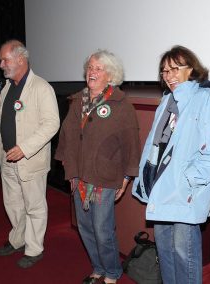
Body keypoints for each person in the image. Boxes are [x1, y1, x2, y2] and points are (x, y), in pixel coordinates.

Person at [132, 46, 210, 284]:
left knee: (184, 256)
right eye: (165, 71)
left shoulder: (207, 98)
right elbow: (155, 146)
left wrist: (188, 181)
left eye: (175, 69)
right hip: (162, 188)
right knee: (165, 253)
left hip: (184, 192)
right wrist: (145, 178)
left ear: (192, 69)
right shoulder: (167, 100)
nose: (169, 75)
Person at [54, 50, 140, 284]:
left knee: (103, 230)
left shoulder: (121, 104)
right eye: (90, 68)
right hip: (80, 177)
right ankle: (98, 268)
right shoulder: (78, 101)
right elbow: (67, 134)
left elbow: (131, 142)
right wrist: (68, 166)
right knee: (85, 229)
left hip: (105, 178)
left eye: (98, 68)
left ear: (110, 74)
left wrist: (126, 178)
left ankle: (112, 272)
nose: (91, 72)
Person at [0, 40, 60, 268]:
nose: (1, 64)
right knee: (13, 203)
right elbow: (4, 116)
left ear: (20, 59)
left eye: (5, 59)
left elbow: (52, 124)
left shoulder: (41, 87)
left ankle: (34, 248)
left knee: (34, 206)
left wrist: (25, 148)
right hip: (7, 157)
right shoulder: (8, 86)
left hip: (29, 159)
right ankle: (17, 240)